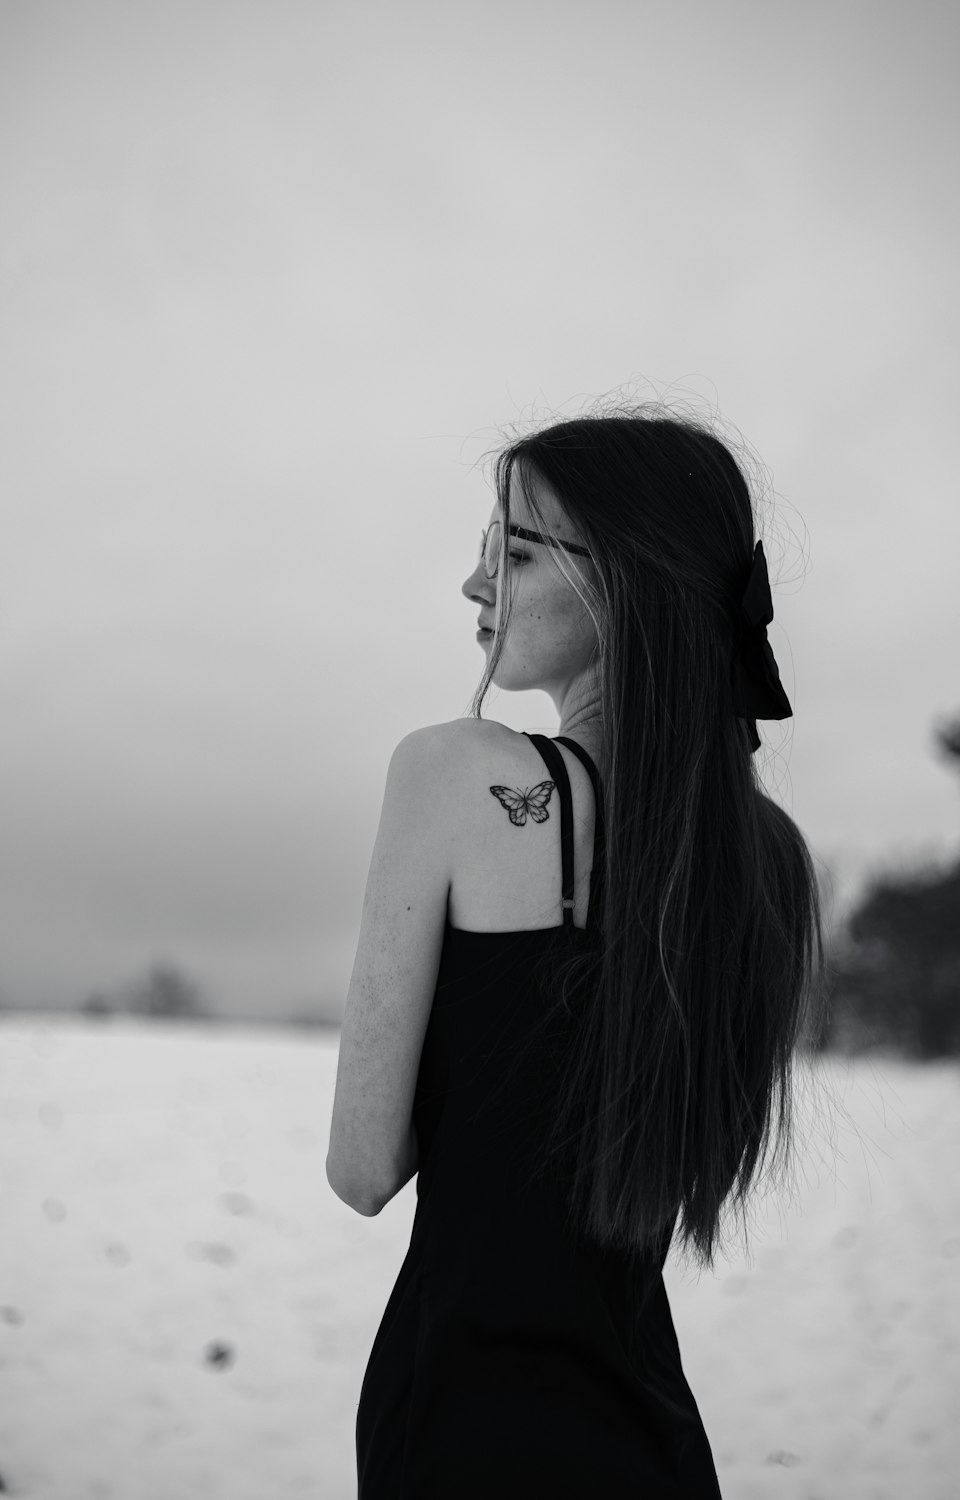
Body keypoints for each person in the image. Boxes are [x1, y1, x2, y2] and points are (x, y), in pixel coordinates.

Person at [331, 402, 829, 1497]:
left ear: (625, 579)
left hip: (461, 1422)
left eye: (511, 550)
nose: (474, 586)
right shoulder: (772, 860)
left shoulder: (455, 774)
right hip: (650, 1435)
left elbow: (362, 1168)